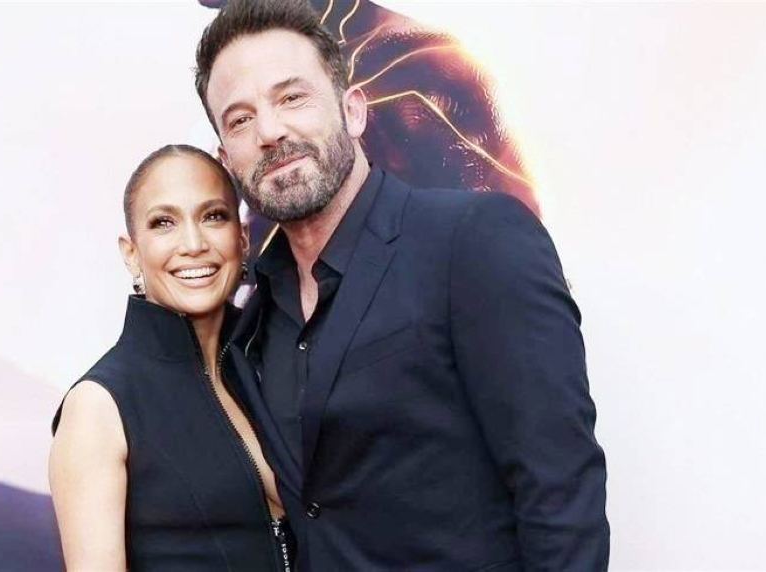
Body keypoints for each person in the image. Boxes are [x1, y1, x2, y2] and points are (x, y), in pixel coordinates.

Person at [194, 1, 610, 570]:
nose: (270, 132)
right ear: (226, 158)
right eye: (240, 119)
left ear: (353, 110)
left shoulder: (475, 240)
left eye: (292, 98)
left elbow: (560, 491)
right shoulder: (256, 318)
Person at [48, 145, 294, 571]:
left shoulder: (281, 360)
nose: (193, 244)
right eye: (164, 223)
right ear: (131, 253)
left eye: (213, 216)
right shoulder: (99, 406)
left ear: (242, 238)